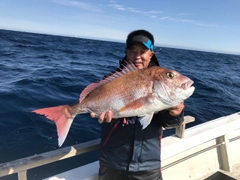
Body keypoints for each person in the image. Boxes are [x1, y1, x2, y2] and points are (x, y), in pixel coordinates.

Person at [90, 29, 184, 180]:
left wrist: (175, 114)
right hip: (112, 160)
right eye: (132, 50)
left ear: (151, 54)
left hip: (148, 163)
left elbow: (167, 122)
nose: (137, 56)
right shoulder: (110, 80)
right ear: (126, 52)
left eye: (143, 51)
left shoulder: (162, 82)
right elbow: (100, 112)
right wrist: (102, 116)